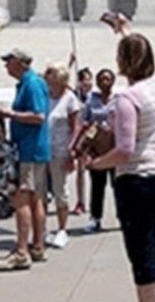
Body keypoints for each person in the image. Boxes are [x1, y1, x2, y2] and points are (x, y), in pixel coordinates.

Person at [82, 29, 155, 302]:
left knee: (142, 258)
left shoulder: (127, 98)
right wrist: (123, 30)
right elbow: (139, 48)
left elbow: (124, 150)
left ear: (123, 62)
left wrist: (97, 164)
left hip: (137, 180)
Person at [0, 48, 51, 270]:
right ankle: (37, 246)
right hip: (33, 149)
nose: (6, 65)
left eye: (9, 61)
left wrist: (10, 115)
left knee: (22, 198)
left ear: (20, 62)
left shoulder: (32, 83)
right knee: (36, 198)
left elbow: (38, 116)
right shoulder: (28, 83)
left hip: (29, 150)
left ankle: (22, 251)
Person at [73, 68, 116, 233]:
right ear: (97, 83)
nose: (105, 82)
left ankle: (123, 216)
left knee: (118, 186)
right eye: (102, 79)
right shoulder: (92, 101)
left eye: (108, 79)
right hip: (97, 149)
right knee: (97, 186)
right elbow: (83, 121)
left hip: (114, 148)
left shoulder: (118, 100)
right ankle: (95, 218)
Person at [44, 63, 82, 249]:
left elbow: (76, 126)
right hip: (42, 149)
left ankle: (62, 229)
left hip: (61, 149)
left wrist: (72, 150)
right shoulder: (44, 96)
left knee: (60, 191)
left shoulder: (70, 99)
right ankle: (41, 229)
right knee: (40, 191)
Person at [72, 66, 95, 216]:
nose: (88, 82)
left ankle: (94, 203)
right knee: (80, 171)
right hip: (81, 137)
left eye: (89, 79)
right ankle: (81, 201)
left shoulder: (95, 96)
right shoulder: (75, 96)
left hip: (95, 137)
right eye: (85, 79)